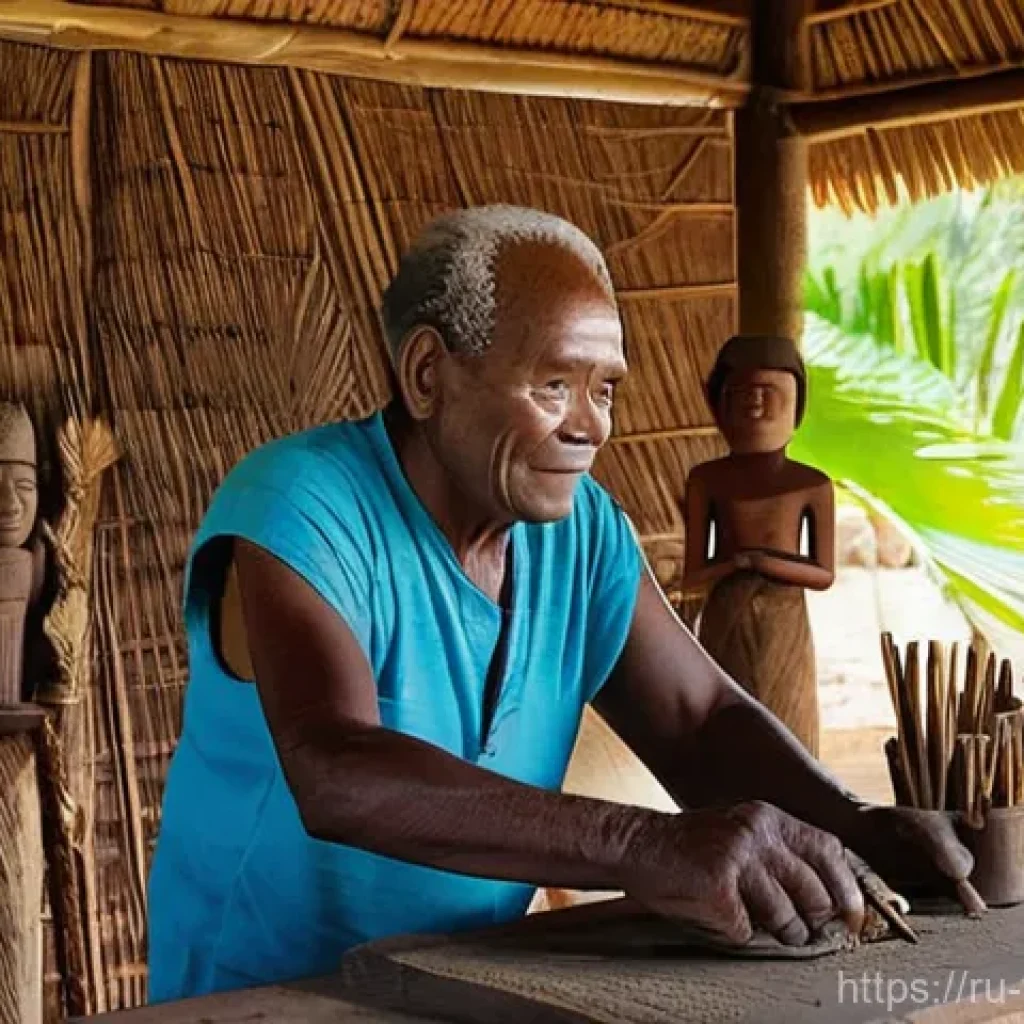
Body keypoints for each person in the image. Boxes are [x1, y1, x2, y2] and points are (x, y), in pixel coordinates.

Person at [147, 205, 972, 1003]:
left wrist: (855, 826)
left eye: (605, 388)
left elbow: (696, 719)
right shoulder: (300, 504)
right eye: (554, 383)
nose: (592, 426)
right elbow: (337, 770)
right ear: (429, 375)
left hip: (457, 986)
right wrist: (646, 844)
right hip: (275, 997)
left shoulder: (579, 537)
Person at [682, 336, 834, 756]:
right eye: (741, 395)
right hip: (724, 618)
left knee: (792, 731)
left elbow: (823, 574)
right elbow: (693, 575)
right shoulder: (707, 480)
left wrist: (762, 562)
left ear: (796, 406)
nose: (755, 404)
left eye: (770, 393)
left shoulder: (811, 484)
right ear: (719, 408)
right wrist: (737, 564)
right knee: (731, 734)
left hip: (786, 619)